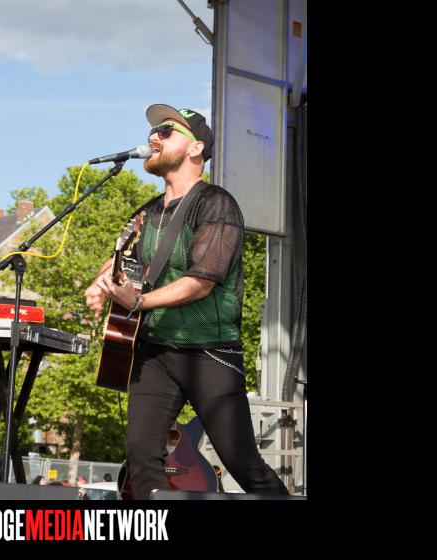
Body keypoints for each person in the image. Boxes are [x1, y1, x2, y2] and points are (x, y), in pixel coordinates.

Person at [85, 104, 289, 500]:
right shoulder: (146, 213)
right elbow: (119, 259)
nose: (153, 136)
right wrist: (100, 283)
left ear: (195, 148)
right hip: (154, 352)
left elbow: (201, 282)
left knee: (243, 463)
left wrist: (139, 301)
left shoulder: (215, 204)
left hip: (209, 353)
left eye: (166, 131)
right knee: (141, 457)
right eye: (153, 131)